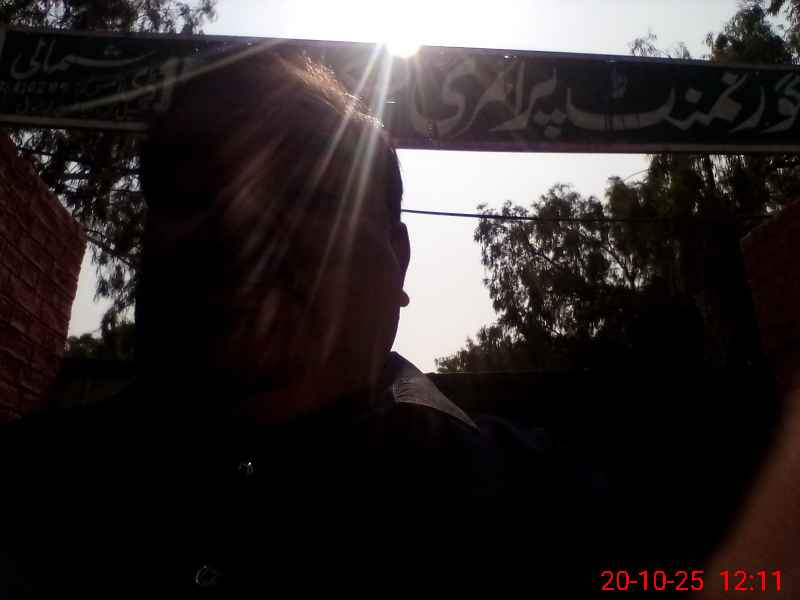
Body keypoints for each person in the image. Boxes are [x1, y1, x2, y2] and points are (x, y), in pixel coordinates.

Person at [0, 46, 632, 598]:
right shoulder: (27, 490)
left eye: (309, 189)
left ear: (398, 260)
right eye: (192, 187)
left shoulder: (548, 513)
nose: (240, 222)